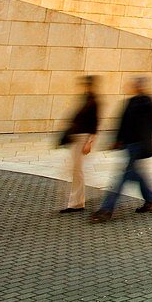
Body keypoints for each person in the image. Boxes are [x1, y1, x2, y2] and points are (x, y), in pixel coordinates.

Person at [90, 76, 152, 223]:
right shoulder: (130, 102)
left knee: (122, 178)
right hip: (129, 145)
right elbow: (122, 123)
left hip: (139, 146)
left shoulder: (148, 103)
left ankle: (106, 209)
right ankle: (151, 199)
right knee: (136, 174)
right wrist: (116, 141)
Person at [58, 75, 99, 213]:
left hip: (83, 138)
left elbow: (94, 124)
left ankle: (77, 203)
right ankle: (77, 201)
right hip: (78, 137)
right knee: (76, 170)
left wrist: (89, 142)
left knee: (77, 170)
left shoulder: (93, 101)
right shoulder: (86, 98)